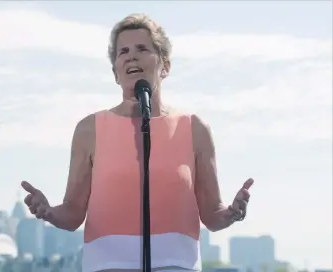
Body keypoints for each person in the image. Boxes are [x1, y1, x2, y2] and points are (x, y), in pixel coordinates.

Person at [21, 13, 254, 272]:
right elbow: (73, 213)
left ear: (165, 66)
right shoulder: (89, 129)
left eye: (142, 48)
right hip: (107, 266)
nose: (131, 56)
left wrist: (233, 212)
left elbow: (212, 215)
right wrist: (48, 212)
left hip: (177, 265)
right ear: (115, 72)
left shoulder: (194, 129)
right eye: (123, 52)